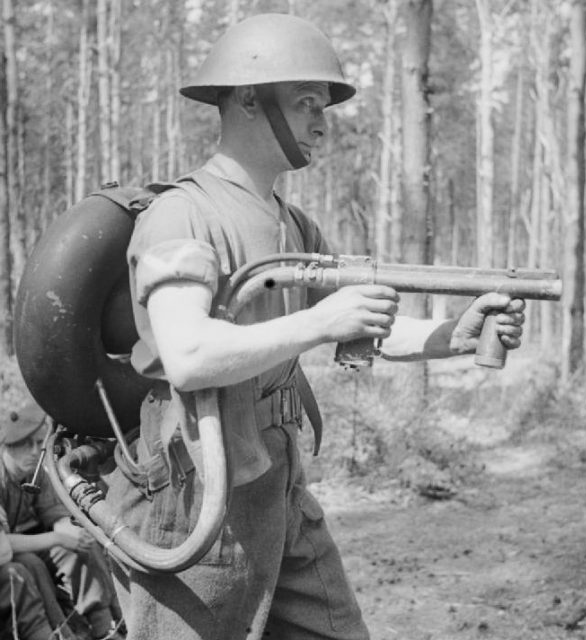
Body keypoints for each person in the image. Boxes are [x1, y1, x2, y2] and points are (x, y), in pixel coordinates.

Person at [105, 12, 525, 640]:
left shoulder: (294, 226)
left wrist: (453, 337)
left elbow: (363, 327)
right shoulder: (181, 215)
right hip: (195, 494)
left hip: (276, 487)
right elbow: (189, 353)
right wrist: (319, 320)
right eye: (306, 103)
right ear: (248, 100)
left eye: (323, 107)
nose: (322, 123)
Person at [0, 402, 124, 640]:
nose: (35, 451)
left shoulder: (32, 474)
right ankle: (60, 630)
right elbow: (3, 545)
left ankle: (104, 624)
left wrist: (73, 535)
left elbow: (53, 514)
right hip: (10, 551)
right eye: (26, 445)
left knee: (78, 543)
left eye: (38, 443)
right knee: (32, 563)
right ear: (6, 447)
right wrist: (58, 537)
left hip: (29, 542)